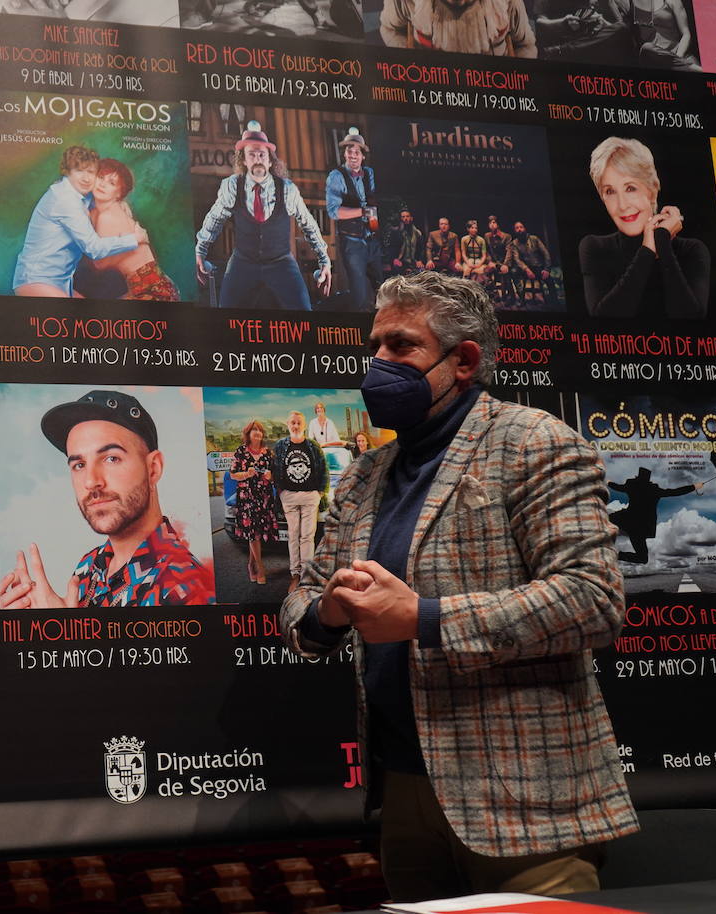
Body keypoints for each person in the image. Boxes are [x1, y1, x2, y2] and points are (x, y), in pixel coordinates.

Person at [281, 270, 637, 902]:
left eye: (400, 346)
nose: (377, 364)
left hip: (526, 803)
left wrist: (425, 617)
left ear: (464, 360)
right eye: (375, 347)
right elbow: (304, 590)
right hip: (403, 789)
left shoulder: (533, 442)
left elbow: (593, 599)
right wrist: (327, 613)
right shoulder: (367, 473)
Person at [0, 390, 215, 608]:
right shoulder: (89, 565)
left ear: (153, 469)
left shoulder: (189, 590)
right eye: (79, 465)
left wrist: (64, 634)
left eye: (111, 458)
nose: (91, 482)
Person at [195, 120, 332, 309]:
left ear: (270, 161)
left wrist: (324, 260)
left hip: (281, 262)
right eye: (252, 154)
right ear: (243, 160)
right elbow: (215, 219)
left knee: (304, 312)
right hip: (243, 262)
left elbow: (308, 223)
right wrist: (200, 251)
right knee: (224, 315)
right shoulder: (232, 186)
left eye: (262, 154)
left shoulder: (287, 189)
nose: (257, 158)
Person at [578, 137, 710, 319]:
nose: (622, 205)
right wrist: (648, 250)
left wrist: (662, 239)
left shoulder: (692, 250)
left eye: (630, 188)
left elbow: (691, 318)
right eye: (610, 191)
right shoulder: (594, 248)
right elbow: (604, 319)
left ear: (652, 189)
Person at [13, 145, 147, 297]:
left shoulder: (77, 194)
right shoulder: (65, 200)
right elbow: (94, 248)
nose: (86, 178)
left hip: (60, 282)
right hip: (37, 280)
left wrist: (119, 201)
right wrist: (134, 239)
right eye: (79, 171)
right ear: (68, 171)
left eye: (91, 172)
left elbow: (97, 200)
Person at [84, 157, 181, 300]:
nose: (103, 184)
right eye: (100, 177)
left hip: (154, 291)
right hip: (152, 286)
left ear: (119, 193)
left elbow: (99, 264)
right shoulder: (103, 211)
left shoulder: (107, 216)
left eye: (111, 183)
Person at [325, 128, 383, 310]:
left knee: (382, 289)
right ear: (344, 154)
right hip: (352, 242)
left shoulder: (369, 173)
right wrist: (362, 212)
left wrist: (374, 226)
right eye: (349, 151)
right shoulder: (336, 176)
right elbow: (334, 212)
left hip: (372, 240)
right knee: (360, 295)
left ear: (363, 156)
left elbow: (372, 202)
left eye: (357, 152)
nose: (353, 155)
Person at [272, 410, 330, 592]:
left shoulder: (313, 446)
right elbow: (274, 469)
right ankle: (295, 574)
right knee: (293, 535)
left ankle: (306, 574)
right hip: (288, 496)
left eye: (299, 423)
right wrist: (281, 492)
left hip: (309, 497)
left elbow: (324, 470)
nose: (296, 426)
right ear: (288, 425)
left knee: (307, 536)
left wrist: (319, 493)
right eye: (293, 423)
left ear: (304, 425)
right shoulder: (280, 446)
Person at [609, 466, 703, 563]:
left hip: (627, 521)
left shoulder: (631, 486)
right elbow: (675, 492)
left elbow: (616, 487)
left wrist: (607, 482)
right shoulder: (654, 490)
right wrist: (694, 487)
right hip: (640, 528)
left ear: (638, 477)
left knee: (604, 519)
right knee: (642, 558)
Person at [379, 0, 538, 56]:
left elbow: (525, 45)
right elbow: (389, 29)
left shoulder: (508, 3)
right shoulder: (406, 2)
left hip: (493, 99)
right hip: (429, 96)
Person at [231, 420, 279, 585]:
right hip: (247, 497)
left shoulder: (268, 453)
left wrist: (269, 476)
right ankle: (260, 567)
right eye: (254, 430)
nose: (257, 433)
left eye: (260, 430)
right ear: (248, 434)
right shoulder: (241, 451)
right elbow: (233, 474)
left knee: (257, 531)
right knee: (252, 532)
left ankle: (251, 564)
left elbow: (274, 476)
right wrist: (246, 474)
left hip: (264, 497)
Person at [621, 0, 701, 69]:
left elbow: (686, 34)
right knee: (647, 47)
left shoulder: (672, 1)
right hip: (653, 58)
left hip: (680, 55)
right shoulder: (631, 5)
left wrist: (677, 59)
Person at [504, 220, 555, 307]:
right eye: (517, 228)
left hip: (537, 266)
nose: (519, 229)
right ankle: (521, 298)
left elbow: (546, 253)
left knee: (550, 280)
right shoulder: (515, 243)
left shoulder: (534, 239)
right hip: (525, 268)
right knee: (513, 272)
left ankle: (554, 302)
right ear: (514, 231)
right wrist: (526, 269)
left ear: (525, 228)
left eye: (521, 227)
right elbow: (517, 259)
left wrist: (547, 269)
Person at [387, 209, 426, 277]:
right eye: (403, 217)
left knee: (422, 272)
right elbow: (391, 248)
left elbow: (421, 248)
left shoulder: (417, 233)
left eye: (407, 216)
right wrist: (394, 259)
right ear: (400, 218)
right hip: (401, 261)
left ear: (411, 218)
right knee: (398, 272)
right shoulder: (396, 232)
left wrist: (419, 260)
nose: (405, 219)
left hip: (414, 261)